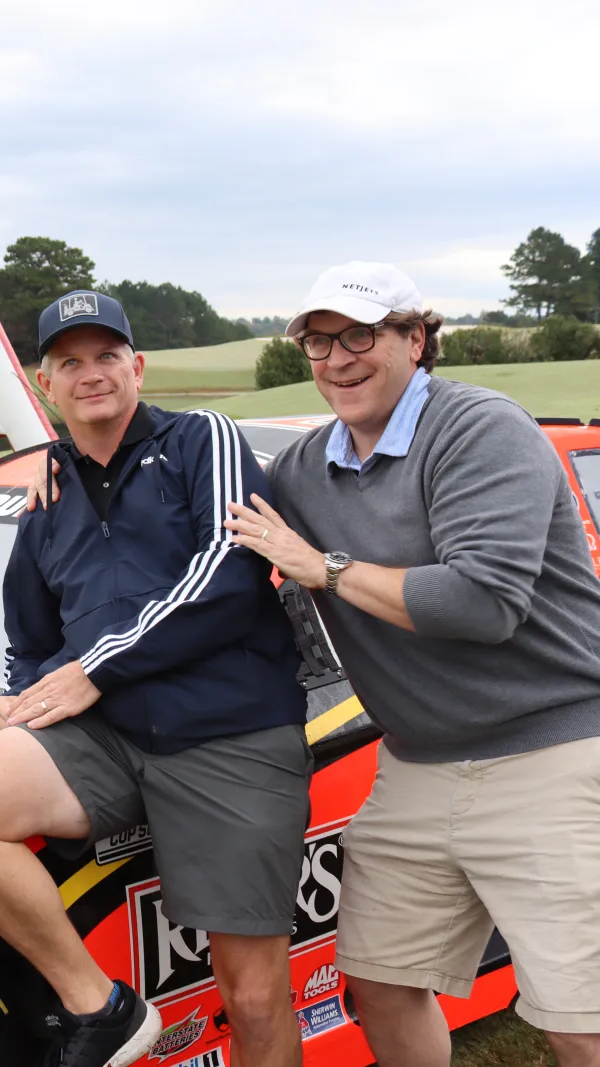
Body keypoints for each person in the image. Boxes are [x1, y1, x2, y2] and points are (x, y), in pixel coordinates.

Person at [216, 262, 600, 1067]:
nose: (338, 358)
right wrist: (71, 482)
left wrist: (322, 565)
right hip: (417, 763)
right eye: (319, 342)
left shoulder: (481, 429)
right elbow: (205, 526)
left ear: (415, 339)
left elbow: (480, 602)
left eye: (360, 335)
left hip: (552, 755)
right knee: (381, 984)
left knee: (579, 1015)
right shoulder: (303, 467)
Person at [0, 290, 311, 1067]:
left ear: (138, 365)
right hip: (111, 733)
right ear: (45, 383)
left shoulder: (202, 438)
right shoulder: (45, 494)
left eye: (107, 356)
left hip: (227, 734)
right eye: (71, 361)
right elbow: (30, 635)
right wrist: (19, 698)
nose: (91, 373)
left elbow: (228, 571)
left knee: (255, 994)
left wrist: (97, 667)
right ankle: (102, 1007)